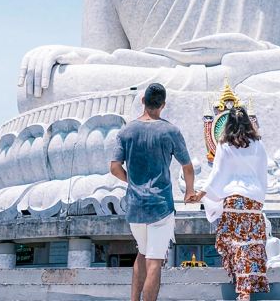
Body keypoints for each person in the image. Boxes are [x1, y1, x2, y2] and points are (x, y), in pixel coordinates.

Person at [110, 83, 195, 301]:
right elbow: (187, 167)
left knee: (142, 252)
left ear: (142, 101)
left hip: (135, 206)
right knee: (155, 260)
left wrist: (131, 182)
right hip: (160, 206)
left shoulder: (126, 131)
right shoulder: (170, 131)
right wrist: (189, 192)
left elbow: (114, 167)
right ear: (163, 105)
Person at [189, 106, 269, 301]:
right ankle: (246, 288)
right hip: (253, 201)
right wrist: (259, 198)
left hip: (233, 200)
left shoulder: (225, 145)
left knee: (235, 244)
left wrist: (201, 193)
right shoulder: (258, 145)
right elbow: (262, 175)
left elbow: (217, 174)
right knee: (249, 245)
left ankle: (242, 289)